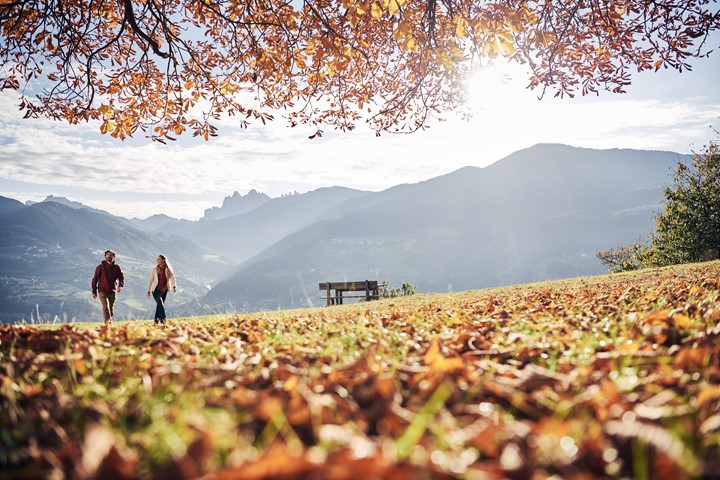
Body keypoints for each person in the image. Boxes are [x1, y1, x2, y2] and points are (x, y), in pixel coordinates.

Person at [91, 249, 124, 324]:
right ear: (105, 256)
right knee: (106, 308)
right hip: (102, 290)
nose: (109, 256)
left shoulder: (117, 268)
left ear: (114, 257)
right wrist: (94, 291)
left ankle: (108, 322)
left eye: (111, 255)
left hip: (112, 291)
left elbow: (121, 278)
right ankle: (107, 325)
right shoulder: (100, 267)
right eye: (107, 255)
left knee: (111, 309)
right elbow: (95, 279)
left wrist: (120, 286)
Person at [147, 254, 177, 324]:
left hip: (164, 290)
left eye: (159, 259)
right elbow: (151, 280)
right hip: (155, 290)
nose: (157, 260)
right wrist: (148, 290)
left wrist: (174, 286)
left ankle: (156, 322)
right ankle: (163, 320)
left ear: (164, 260)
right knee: (160, 304)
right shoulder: (154, 269)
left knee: (159, 306)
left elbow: (172, 277)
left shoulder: (168, 269)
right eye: (157, 259)